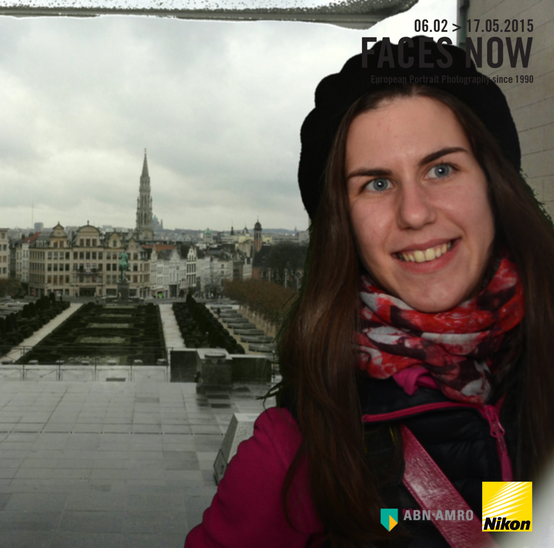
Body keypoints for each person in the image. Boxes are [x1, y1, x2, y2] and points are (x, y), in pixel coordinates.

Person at [186, 36, 554, 547]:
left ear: (494, 186)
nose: (415, 213)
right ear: (345, 225)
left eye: (441, 169)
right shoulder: (293, 458)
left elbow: (509, 518)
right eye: (377, 184)